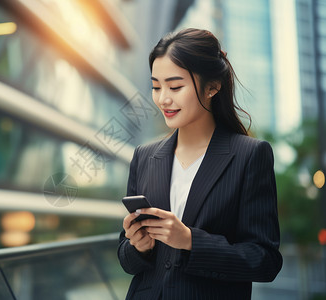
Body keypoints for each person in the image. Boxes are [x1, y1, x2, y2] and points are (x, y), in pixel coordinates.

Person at [118, 28, 283, 300]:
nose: (163, 99)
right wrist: (139, 247)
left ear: (212, 87)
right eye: (156, 87)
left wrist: (191, 241)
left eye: (175, 86)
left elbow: (265, 261)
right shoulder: (144, 156)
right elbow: (126, 259)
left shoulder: (250, 155)